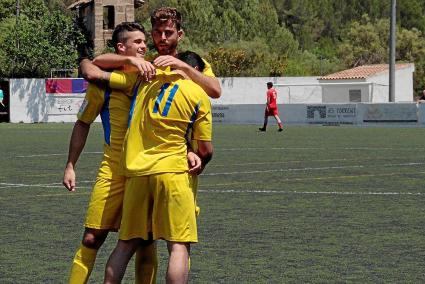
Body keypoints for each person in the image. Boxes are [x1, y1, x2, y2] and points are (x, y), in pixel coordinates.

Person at [62, 22, 200, 284]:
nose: (144, 46)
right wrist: (71, 164)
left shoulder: (152, 74)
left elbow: (177, 112)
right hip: (113, 169)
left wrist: (190, 148)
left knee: (145, 241)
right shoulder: (103, 85)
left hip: (146, 168)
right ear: (122, 48)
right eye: (137, 42)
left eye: (144, 42)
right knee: (92, 237)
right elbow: (83, 118)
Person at [103, 50, 213, 284]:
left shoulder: (145, 84)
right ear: (192, 71)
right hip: (172, 172)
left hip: (136, 172)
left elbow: (93, 66)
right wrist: (196, 157)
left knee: (124, 247)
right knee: (178, 246)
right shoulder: (196, 93)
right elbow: (206, 149)